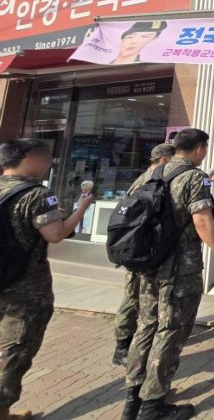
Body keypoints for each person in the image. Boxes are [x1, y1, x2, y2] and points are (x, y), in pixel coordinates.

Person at [122, 129, 214, 420]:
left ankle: (132, 399)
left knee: (146, 326)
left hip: (149, 265)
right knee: (170, 331)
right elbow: (202, 220)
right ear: (199, 149)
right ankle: (152, 405)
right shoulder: (195, 177)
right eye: (205, 148)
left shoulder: (151, 174)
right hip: (180, 270)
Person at [0, 139, 94, 420]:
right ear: (30, 158)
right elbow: (55, 234)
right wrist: (81, 208)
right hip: (24, 288)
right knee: (16, 348)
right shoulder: (37, 194)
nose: (49, 163)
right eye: (46, 157)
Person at [112, 143, 176, 368]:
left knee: (136, 296)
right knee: (133, 297)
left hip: (141, 248)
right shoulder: (150, 181)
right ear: (164, 159)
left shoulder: (147, 179)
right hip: (140, 249)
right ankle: (122, 346)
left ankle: (129, 343)